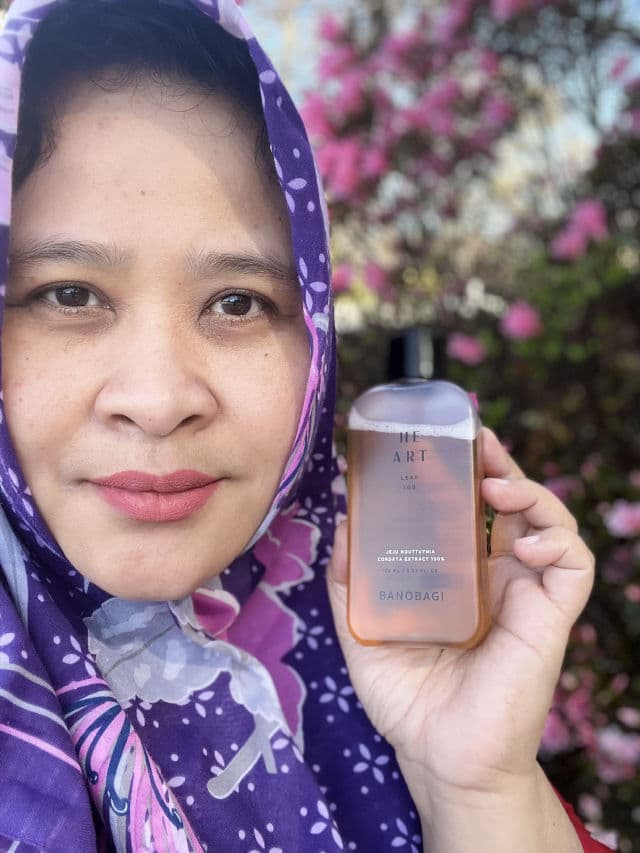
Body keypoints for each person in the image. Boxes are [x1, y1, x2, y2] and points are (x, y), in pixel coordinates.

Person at [0, 0, 614, 850]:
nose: (159, 397)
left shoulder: (372, 626)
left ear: (316, 341)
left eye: (238, 302)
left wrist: (471, 782)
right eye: (69, 293)